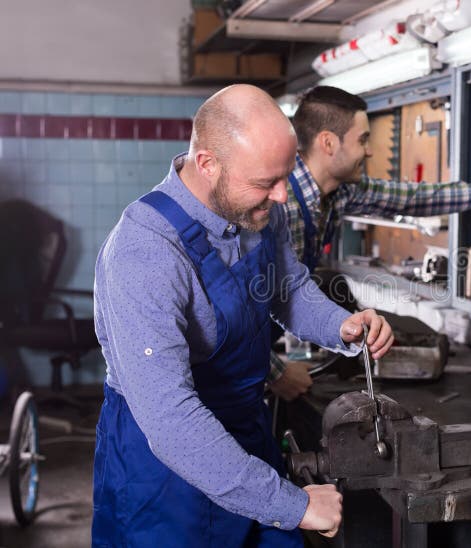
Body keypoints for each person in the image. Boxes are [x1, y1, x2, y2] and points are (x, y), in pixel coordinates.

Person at [91, 84, 393, 547]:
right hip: (164, 476)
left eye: (284, 178)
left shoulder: (256, 211)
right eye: (265, 183)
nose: (281, 198)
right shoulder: (143, 253)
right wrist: (293, 504)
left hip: (247, 437)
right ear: (208, 163)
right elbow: (171, 420)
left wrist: (340, 326)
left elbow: (287, 288)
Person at [268, 85, 471, 401]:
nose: (369, 151)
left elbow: (416, 199)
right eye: (363, 140)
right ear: (328, 142)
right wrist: (274, 372)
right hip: (243, 364)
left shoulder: (339, 193)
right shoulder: (280, 205)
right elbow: (243, 303)